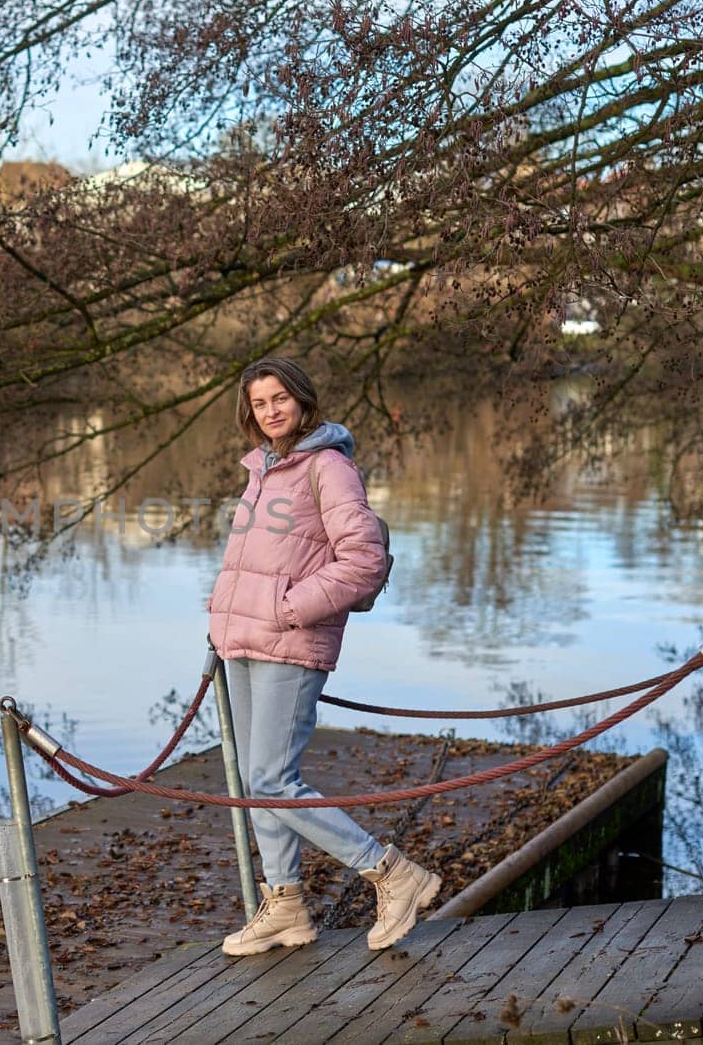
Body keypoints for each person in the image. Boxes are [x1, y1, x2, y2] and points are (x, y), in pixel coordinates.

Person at [207, 356, 440, 956]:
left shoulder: (330, 468)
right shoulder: (259, 470)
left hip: (290, 640)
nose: (271, 411)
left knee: (273, 780)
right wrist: (224, 623)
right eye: (260, 403)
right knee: (252, 781)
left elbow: (362, 562)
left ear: (303, 400)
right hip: (242, 641)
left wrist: (290, 608)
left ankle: (392, 873)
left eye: (280, 398)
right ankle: (285, 906)